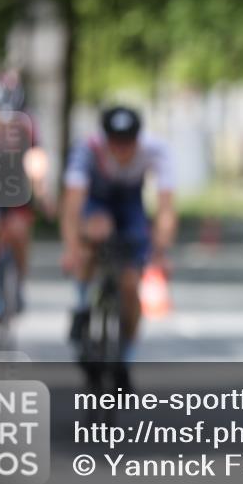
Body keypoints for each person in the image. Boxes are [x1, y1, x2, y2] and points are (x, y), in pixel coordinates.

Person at [61, 106, 176, 375]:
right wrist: (72, 248)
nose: (122, 149)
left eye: (129, 143)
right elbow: (72, 206)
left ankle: (126, 357)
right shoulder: (87, 149)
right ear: (105, 138)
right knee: (94, 234)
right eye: (116, 142)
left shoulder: (156, 150)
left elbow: (166, 208)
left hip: (130, 203)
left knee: (130, 284)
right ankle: (82, 306)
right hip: (97, 200)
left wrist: (160, 252)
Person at [0, 72, 53, 320]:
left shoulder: (28, 123)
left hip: (17, 182)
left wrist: (42, 192)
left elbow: (35, 159)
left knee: (19, 232)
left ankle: (19, 283)